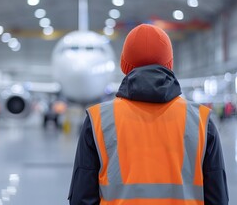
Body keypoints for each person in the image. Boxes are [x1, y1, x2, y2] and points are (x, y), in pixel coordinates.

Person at [68, 24, 228, 205]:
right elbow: (218, 199)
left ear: (124, 65)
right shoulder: (201, 121)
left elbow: (82, 198)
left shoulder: (98, 120)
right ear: (169, 64)